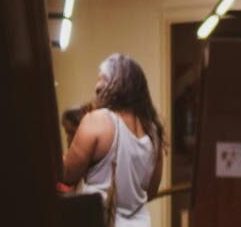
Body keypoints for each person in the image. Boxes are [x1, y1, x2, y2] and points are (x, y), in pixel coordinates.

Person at [62, 54, 165, 227]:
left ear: (118, 86)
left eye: (101, 83)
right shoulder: (153, 132)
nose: (96, 88)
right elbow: (151, 192)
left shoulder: (98, 120)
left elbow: (67, 175)